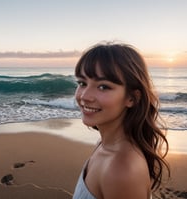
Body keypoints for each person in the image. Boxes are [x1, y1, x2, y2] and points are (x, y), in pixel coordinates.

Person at [72, 42, 170, 199]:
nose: (84, 96)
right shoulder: (104, 145)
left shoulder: (122, 169)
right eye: (82, 83)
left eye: (103, 87)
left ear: (132, 98)